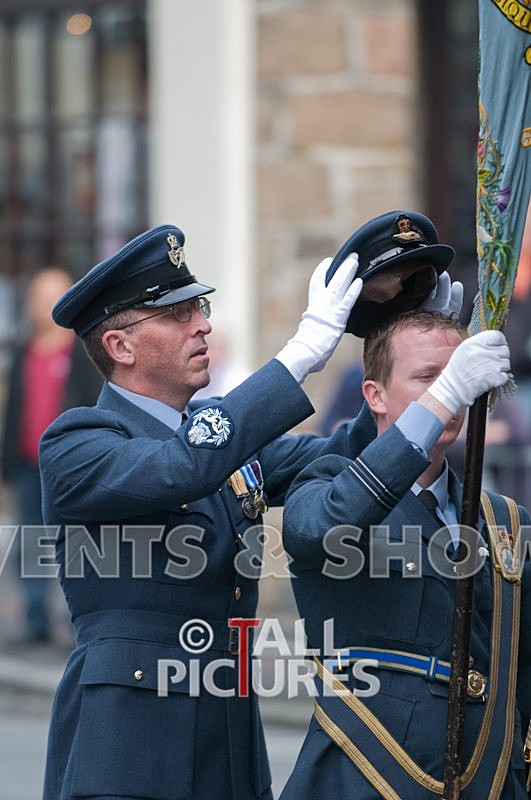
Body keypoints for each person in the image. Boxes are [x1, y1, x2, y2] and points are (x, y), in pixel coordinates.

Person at [38, 214, 460, 800]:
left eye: (199, 306)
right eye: (177, 313)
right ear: (120, 345)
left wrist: (410, 366)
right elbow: (184, 466)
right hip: (129, 751)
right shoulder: (77, 443)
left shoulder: (220, 444)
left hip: (226, 745)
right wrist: (300, 355)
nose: (202, 324)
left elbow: (344, 454)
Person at [281, 309, 531, 799]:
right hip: (369, 776)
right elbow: (325, 526)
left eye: (456, 375)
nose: (450, 393)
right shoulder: (325, 488)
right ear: (375, 396)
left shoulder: (505, 520)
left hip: (487, 780)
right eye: (426, 377)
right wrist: (441, 399)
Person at [0, 267, 102, 644]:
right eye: (41, 298)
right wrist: (7, 463)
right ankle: (36, 620)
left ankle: (80, 623)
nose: (47, 306)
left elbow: (93, 406)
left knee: (77, 545)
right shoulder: (24, 351)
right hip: (28, 466)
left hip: (71, 468)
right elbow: (14, 410)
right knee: (29, 542)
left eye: (55, 296)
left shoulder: (83, 352)